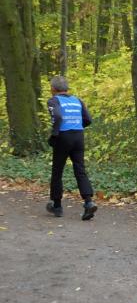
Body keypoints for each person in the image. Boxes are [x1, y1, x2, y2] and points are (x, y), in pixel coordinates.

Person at [46, 76, 98, 220]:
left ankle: (57, 206)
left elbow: (57, 116)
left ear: (53, 89)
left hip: (63, 136)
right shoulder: (77, 100)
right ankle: (88, 202)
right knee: (80, 169)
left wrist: (54, 135)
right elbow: (88, 119)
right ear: (66, 88)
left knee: (57, 171)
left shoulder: (54, 100)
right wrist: (76, 127)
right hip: (78, 136)